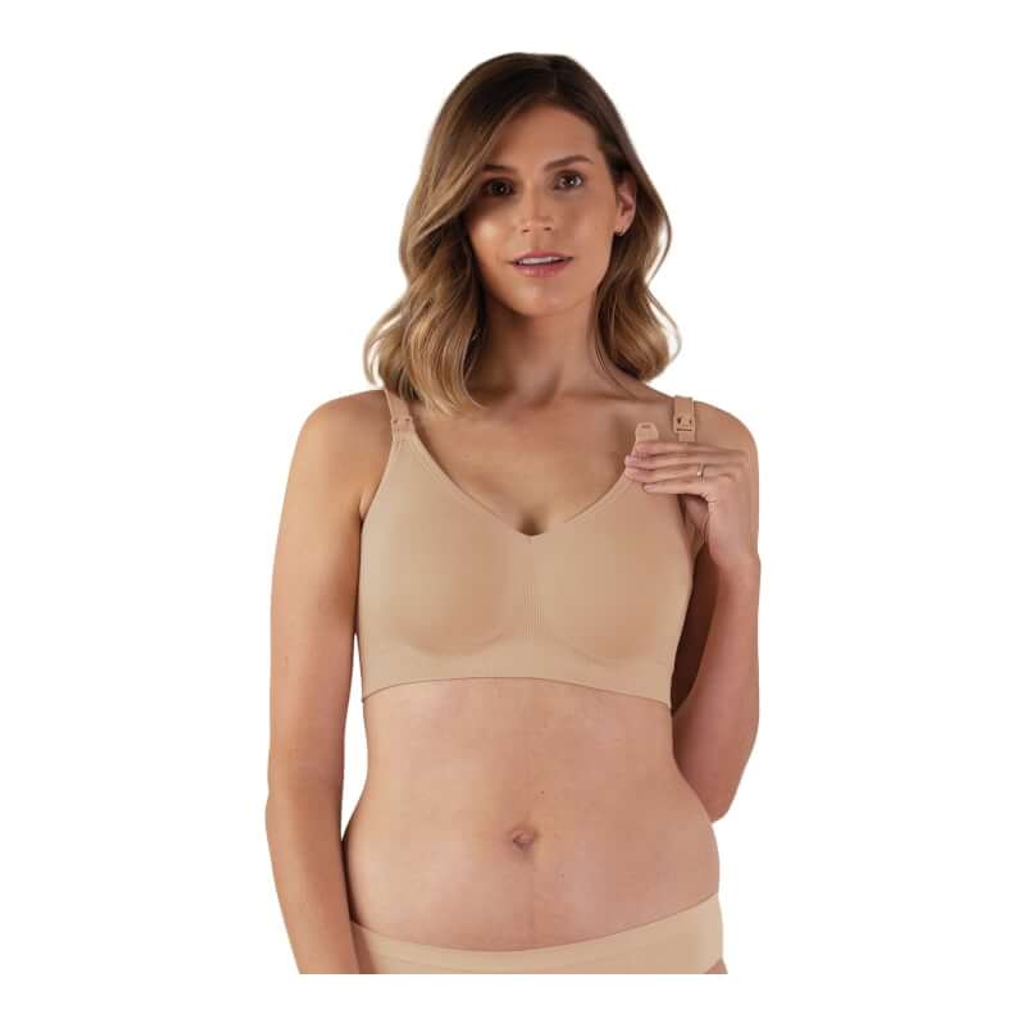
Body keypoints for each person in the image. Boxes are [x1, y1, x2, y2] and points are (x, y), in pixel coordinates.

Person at [265, 52, 761, 974]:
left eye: (566, 180)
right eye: (497, 188)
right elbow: (299, 774)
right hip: (406, 962)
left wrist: (739, 569)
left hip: (656, 955)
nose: (536, 217)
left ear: (622, 201)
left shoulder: (701, 445)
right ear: (460, 216)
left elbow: (707, 785)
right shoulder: (354, 441)